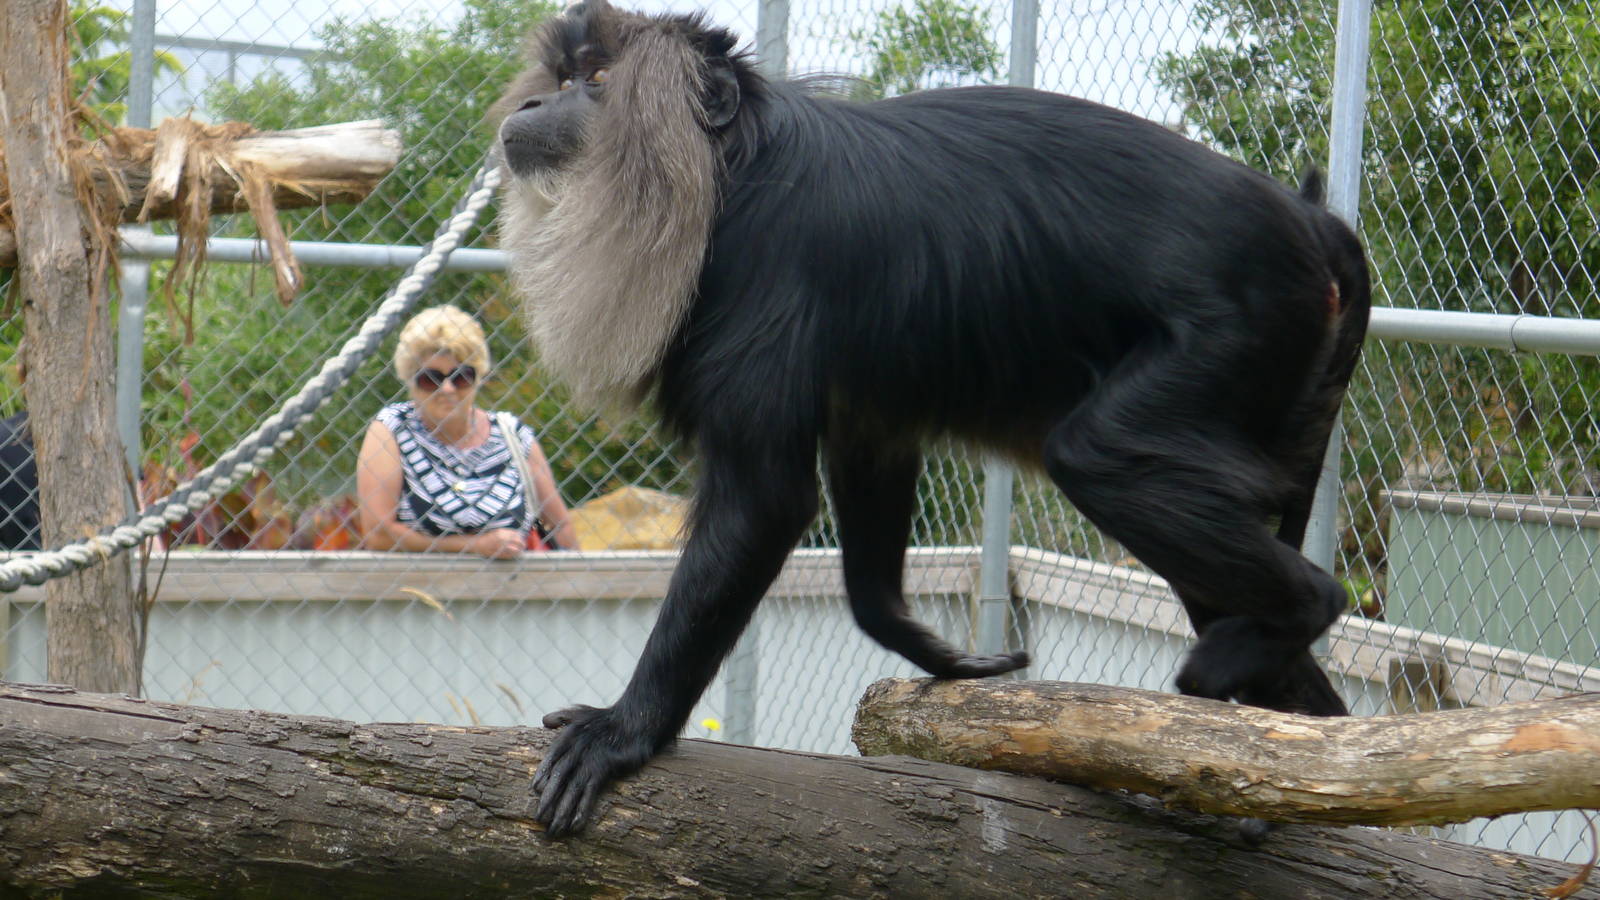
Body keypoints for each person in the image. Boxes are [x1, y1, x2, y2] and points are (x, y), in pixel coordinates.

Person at [357, 305, 576, 558]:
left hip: (511, 582)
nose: (447, 389)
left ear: (478, 377)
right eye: (430, 379)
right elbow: (378, 534)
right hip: (419, 581)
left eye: (461, 376)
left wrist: (578, 578)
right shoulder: (392, 429)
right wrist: (475, 546)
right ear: (410, 381)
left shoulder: (511, 434)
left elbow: (560, 526)